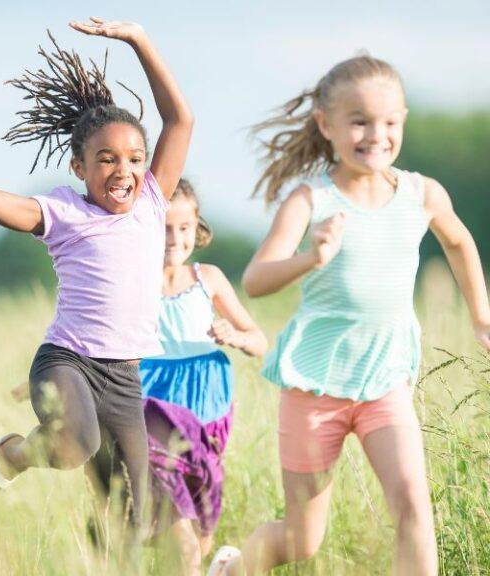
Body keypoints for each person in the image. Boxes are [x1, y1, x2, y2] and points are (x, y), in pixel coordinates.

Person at [0, 17, 193, 546]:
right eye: (106, 159)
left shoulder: (154, 201)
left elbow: (179, 118)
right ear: (78, 165)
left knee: (134, 518)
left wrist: (139, 39)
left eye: (135, 158)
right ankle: (8, 458)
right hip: (67, 362)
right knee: (73, 445)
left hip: (125, 378)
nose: (124, 170)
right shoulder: (61, 212)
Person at [208, 55, 490, 576]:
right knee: (302, 538)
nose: (375, 134)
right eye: (358, 120)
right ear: (326, 125)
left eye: (388, 122)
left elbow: (458, 242)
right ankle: (233, 568)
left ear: (403, 119)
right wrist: (312, 258)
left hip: (387, 382)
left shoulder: (421, 194)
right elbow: (256, 278)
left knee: (412, 505)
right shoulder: (310, 200)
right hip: (314, 387)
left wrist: (481, 316)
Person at [140, 179, 266, 576]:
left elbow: (260, 340)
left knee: (201, 522)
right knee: (176, 520)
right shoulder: (134, 280)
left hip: (208, 400)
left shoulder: (207, 278)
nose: (174, 239)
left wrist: (236, 336)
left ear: (197, 228)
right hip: (154, 402)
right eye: (164, 228)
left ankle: (213, 563)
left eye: (184, 228)